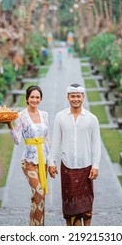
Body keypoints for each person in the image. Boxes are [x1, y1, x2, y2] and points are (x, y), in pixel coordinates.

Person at [49, 83, 101, 226]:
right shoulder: (60, 117)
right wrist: (51, 162)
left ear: (83, 97)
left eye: (78, 96)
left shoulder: (92, 119)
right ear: (68, 97)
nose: (75, 99)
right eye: (72, 96)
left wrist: (95, 165)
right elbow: (55, 142)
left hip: (86, 167)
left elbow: (96, 144)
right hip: (67, 167)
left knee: (86, 206)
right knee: (70, 206)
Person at [6, 85, 50, 226]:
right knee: (39, 193)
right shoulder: (21, 116)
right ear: (27, 98)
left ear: (41, 99)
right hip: (28, 161)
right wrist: (9, 125)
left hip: (43, 160)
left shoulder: (45, 115)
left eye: (37, 97)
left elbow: (47, 139)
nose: (35, 100)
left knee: (39, 196)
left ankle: (37, 227)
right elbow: (18, 140)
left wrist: (52, 162)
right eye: (32, 97)